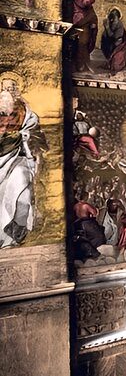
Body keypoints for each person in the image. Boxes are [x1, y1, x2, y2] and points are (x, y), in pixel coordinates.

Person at [0, 76, 45, 248]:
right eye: (6, 88)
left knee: (23, 194)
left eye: (13, 88)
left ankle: (16, 234)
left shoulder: (27, 113)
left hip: (19, 158)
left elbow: (37, 134)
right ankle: (4, 239)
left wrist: (26, 137)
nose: (10, 91)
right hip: (2, 159)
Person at [69, 0, 98, 73]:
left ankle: (84, 65)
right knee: (81, 45)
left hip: (85, 24)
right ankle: (81, 66)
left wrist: (93, 21)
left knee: (84, 45)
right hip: (80, 21)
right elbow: (84, 2)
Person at [100, 8, 126, 74]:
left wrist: (107, 28)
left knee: (116, 64)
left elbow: (115, 37)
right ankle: (109, 62)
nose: (113, 20)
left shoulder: (120, 25)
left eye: (115, 18)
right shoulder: (110, 23)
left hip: (119, 46)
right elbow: (106, 35)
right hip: (111, 43)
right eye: (112, 17)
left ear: (118, 18)